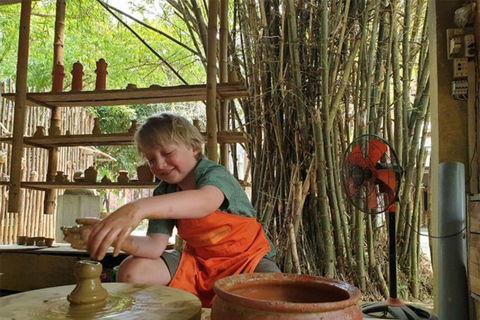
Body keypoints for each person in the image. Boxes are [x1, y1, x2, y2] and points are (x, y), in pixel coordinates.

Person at [68, 112, 280, 307]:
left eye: (167, 152)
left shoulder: (214, 174)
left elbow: (203, 202)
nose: (159, 164)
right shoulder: (164, 191)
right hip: (200, 265)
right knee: (133, 271)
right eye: (151, 159)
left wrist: (137, 208)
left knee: (277, 295)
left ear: (194, 147)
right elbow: (153, 247)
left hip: (248, 261)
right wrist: (110, 236)